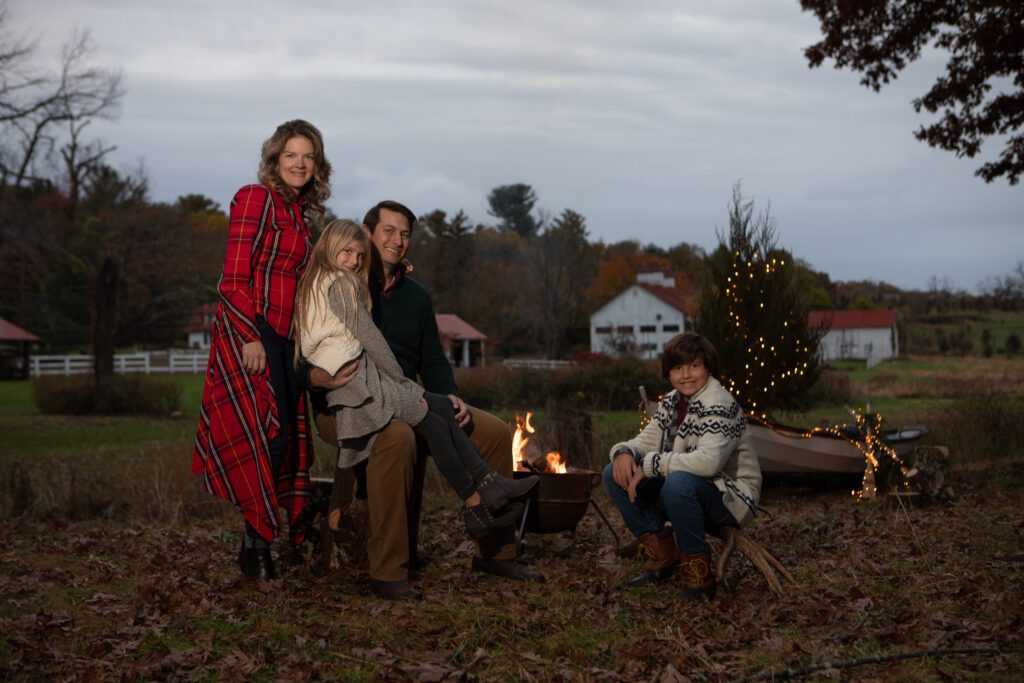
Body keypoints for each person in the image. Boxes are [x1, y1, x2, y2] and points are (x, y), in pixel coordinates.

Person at [304, 200, 544, 600]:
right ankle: (389, 570)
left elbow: (432, 358)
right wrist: (313, 378)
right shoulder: (342, 283)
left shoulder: (414, 295)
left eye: (405, 234)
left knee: (495, 432)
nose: (397, 241)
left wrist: (451, 395)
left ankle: (497, 550)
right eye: (388, 231)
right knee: (398, 437)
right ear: (366, 232)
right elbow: (303, 345)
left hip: (406, 396)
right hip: (344, 405)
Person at [192, 119, 332, 586]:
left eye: (307, 156)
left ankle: (255, 546)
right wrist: (249, 335)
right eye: (290, 155)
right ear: (274, 160)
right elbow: (232, 279)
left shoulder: (304, 217)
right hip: (255, 336)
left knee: (287, 446)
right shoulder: (256, 199)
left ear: (317, 165)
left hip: (292, 342)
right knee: (265, 440)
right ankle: (255, 549)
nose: (299, 163)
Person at [604, 332, 762, 600]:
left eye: (694, 366)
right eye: (678, 368)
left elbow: (709, 462)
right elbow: (648, 440)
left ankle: (699, 577)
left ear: (707, 368)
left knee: (677, 483)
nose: (686, 374)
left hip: (732, 497)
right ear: (669, 374)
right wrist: (623, 452)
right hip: (693, 488)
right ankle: (663, 555)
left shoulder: (718, 402)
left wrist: (653, 464)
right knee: (613, 472)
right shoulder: (673, 401)